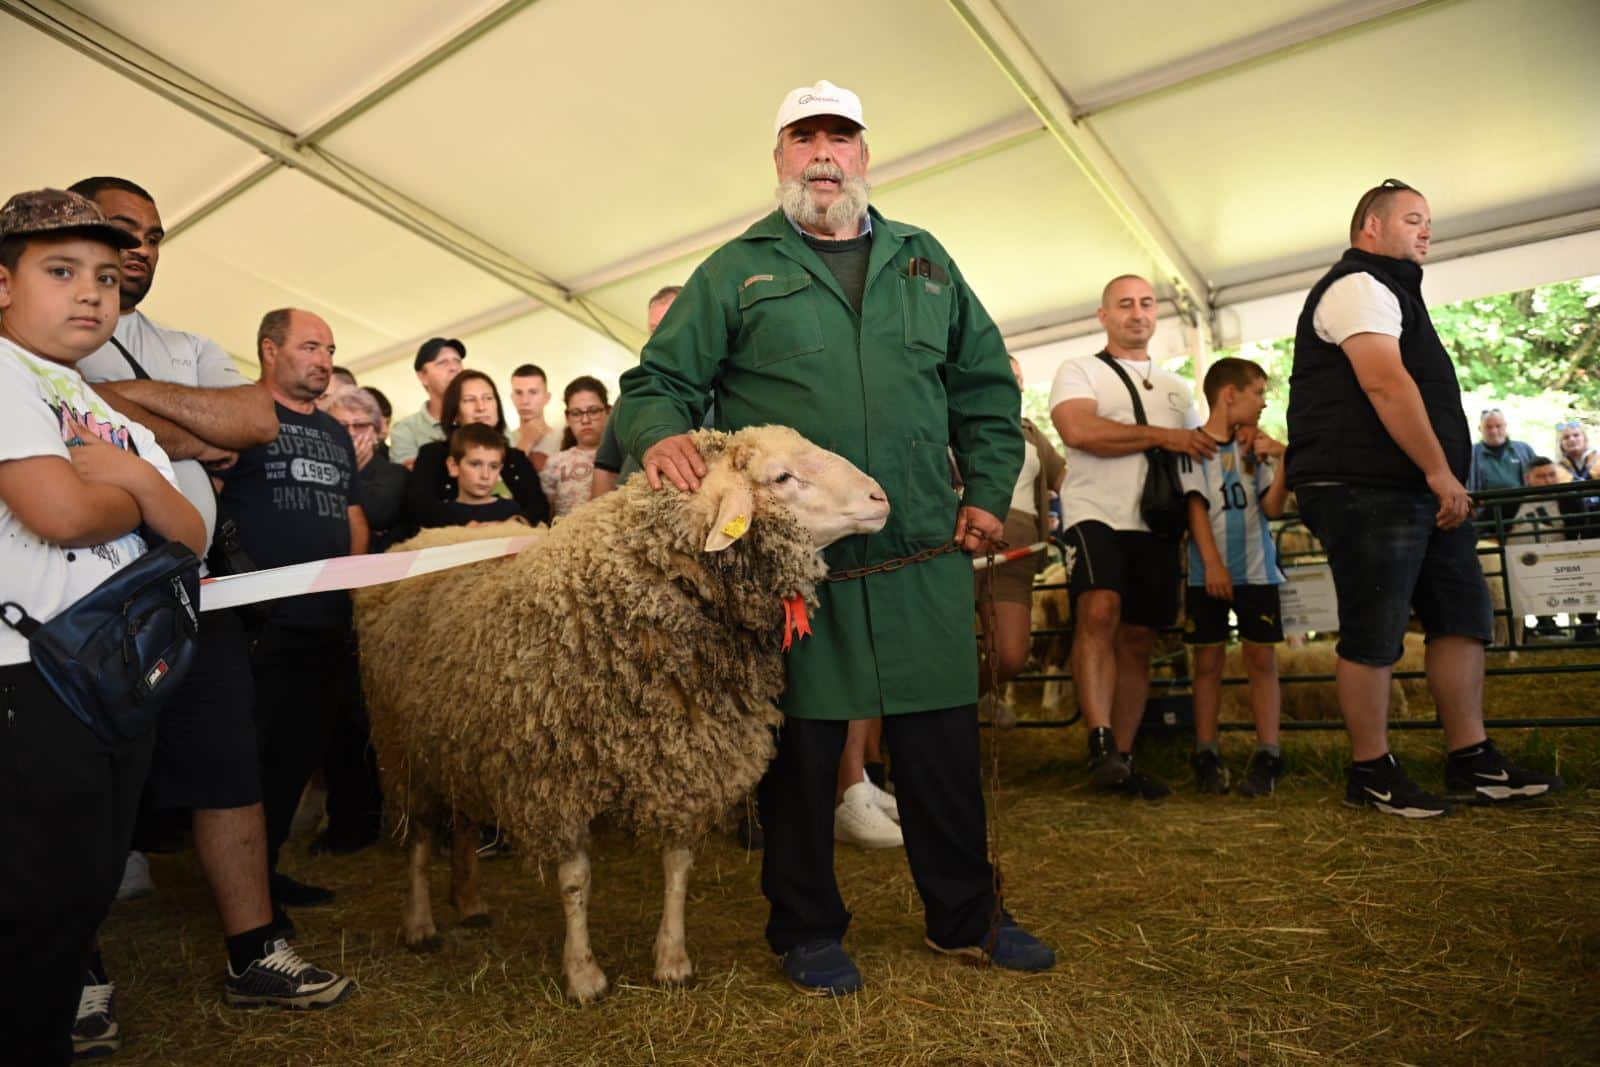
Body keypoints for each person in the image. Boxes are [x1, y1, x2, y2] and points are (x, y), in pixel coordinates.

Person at [613, 79, 1053, 995]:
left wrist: (986, 487)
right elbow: (657, 382)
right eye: (805, 137)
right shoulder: (736, 270)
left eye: (840, 137)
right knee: (804, 754)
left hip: (921, 544)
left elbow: (984, 385)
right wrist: (657, 433)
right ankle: (807, 926)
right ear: (779, 157)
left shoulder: (924, 261)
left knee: (940, 741)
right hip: (797, 565)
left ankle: (966, 916)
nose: (824, 154)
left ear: (864, 155)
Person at [69, 176, 349, 1044]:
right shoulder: (30, 342)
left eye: (154, 234)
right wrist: (187, 426)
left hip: (190, 587)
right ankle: (71, 970)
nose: (140, 247)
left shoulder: (182, 341)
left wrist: (110, 404)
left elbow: (251, 421)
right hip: (71, 592)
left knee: (230, 759)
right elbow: (178, 434)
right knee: (77, 779)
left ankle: (255, 951)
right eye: (121, 229)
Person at [0, 188, 206, 1065]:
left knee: (80, 897)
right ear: (2, 284)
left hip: (114, 681)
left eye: (109, 278)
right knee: (34, 907)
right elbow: (58, 511)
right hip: (26, 674)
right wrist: (140, 496)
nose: (92, 292)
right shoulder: (3, 372)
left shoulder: (107, 411)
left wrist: (135, 481)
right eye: (61, 271)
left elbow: (190, 533)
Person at [1285, 178, 1562, 818]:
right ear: (1372, 227)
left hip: (1421, 487)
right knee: (1375, 628)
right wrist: (1441, 471)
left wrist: (1441, 478)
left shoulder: (1396, 292)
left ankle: (1471, 758)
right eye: (1413, 219)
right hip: (1366, 486)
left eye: (1428, 220)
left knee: (1463, 615)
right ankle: (1370, 771)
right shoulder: (1357, 286)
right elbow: (1384, 384)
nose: (1427, 229)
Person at [215, 308, 373, 929]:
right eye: (310, 347)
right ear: (269, 350)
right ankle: (241, 896)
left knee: (296, 757)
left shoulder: (335, 432)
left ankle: (266, 875)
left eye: (330, 349)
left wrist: (352, 590)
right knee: (249, 758)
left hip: (326, 622)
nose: (325, 360)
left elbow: (352, 515)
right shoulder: (240, 415)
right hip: (255, 624)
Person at [1049, 274, 1214, 799]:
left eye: (1146, 303)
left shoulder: (1178, 389)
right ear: (1104, 316)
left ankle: (1121, 757)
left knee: (1140, 637)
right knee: (1099, 609)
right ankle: (1099, 738)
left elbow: (1198, 453)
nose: (1137, 313)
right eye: (1124, 304)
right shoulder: (1079, 370)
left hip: (1155, 521)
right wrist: (1165, 436)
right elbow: (1079, 431)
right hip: (1094, 511)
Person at [1179, 358, 1289, 797]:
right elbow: (1195, 508)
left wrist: (1283, 457)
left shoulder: (1254, 447)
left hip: (1258, 572)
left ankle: (1269, 752)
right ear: (1230, 394)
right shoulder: (1193, 446)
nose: (1263, 403)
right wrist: (1213, 564)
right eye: (1258, 392)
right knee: (1207, 662)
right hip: (1208, 574)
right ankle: (1206, 751)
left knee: (1262, 660)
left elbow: (1274, 508)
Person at [974, 356, 1067, 705]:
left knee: (1011, 655)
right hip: (957, 553)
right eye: (1004, 373)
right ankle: (947, 720)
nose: (1014, 383)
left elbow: (1067, 478)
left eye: (1018, 377)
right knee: (948, 649)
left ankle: (971, 700)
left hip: (1016, 557)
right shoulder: (950, 424)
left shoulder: (1031, 433)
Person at [405, 369, 548, 528]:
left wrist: (511, 526)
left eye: (488, 398)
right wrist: (472, 527)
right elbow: (420, 507)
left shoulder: (516, 457)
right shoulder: (433, 454)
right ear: (455, 412)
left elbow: (539, 508)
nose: (481, 407)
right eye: (469, 400)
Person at [592, 286, 683, 497]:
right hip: (627, 509)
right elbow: (606, 469)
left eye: (669, 324)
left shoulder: (726, 393)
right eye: (654, 330)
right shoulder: (632, 394)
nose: (660, 337)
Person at [389, 337, 465, 467]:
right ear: (422, 376)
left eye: (457, 361)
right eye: (443, 363)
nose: (454, 368)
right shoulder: (406, 430)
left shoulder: (481, 415)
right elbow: (414, 476)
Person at [541, 376, 609, 518]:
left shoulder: (622, 457)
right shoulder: (555, 462)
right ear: (567, 418)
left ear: (608, 412)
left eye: (593, 411)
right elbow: (545, 515)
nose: (585, 420)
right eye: (576, 413)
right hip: (565, 530)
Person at [443, 422, 526, 524]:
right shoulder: (443, 515)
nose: (485, 475)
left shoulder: (512, 511)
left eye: (493, 466)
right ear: (454, 466)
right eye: (475, 464)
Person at [510, 363, 562, 467]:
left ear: (547, 398)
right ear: (512, 398)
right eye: (519, 393)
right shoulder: (503, 441)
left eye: (533, 392)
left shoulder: (564, 439)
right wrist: (526, 442)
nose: (524, 401)